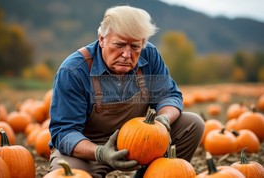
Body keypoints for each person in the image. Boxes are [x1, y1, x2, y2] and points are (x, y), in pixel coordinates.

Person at [48, 5, 204, 178]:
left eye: (135, 47)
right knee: (67, 174)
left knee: (192, 125)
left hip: (142, 140)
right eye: (119, 45)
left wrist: (163, 119)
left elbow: (168, 95)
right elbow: (64, 132)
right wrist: (100, 152)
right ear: (102, 39)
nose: (126, 54)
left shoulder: (149, 55)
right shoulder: (74, 71)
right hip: (89, 149)